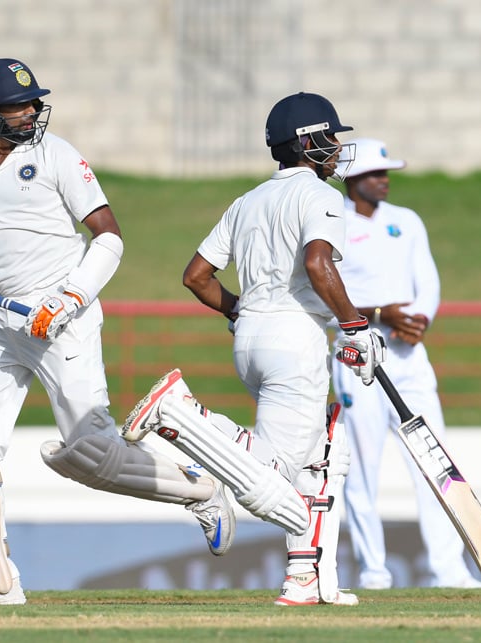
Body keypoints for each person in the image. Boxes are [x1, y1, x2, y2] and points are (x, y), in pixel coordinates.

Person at [0, 57, 235, 605]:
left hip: (64, 318)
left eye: (34, 102)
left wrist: (69, 298)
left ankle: (200, 488)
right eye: (18, 105)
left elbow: (109, 237)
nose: (31, 111)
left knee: (91, 452)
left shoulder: (58, 155)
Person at [121, 92, 388, 606]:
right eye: (330, 139)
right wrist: (354, 326)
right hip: (296, 340)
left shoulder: (247, 201)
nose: (337, 150)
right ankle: (182, 416)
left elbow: (196, 277)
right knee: (273, 478)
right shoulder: (321, 196)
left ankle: (306, 579)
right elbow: (317, 263)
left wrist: (239, 311)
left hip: (249, 337)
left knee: (324, 459)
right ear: (307, 143)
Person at [333, 137, 481, 589]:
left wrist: (418, 320)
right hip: (357, 359)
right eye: (376, 173)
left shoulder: (407, 221)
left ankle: (449, 569)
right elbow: (325, 296)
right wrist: (381, 315)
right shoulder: (332, 223)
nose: (384, 180)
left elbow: (429, 283)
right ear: (354, 179)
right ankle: (373, 572)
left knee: (435, 462)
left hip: (409, 358)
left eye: (386, 173)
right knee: (361, 470)